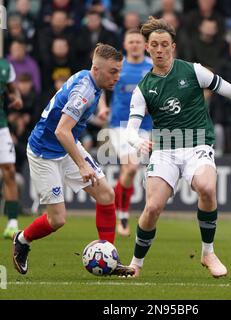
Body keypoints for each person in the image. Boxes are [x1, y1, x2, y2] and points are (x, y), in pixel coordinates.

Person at [125, 17, 231, 278]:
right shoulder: (143, 89)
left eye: (164, 44)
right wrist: (138, 141)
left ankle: (208, 252)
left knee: (206, 187)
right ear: (147, 47)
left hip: (197, 144)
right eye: (154, 45)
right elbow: (130, 131)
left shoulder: (193, 71)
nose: (159, 49)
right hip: (165, 150)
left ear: (173, 47)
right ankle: (136, 263)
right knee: (152, 208)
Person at [12, 43, 135, 277]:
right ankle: (22, 239)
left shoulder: (89, 78)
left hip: (67, 145)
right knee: (57, 220)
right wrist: (81, 164)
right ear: (96, 69)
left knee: (106, 195)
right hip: (44, 152)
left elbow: (69, 127)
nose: (117, 77)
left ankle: (108, 255)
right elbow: (61, 131)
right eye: (113, 72)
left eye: (119, 71)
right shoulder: (84, 91)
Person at [99, 29, 153, 237]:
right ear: (125, 44)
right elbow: (102, 85)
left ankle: (119, 210)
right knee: (131, 168)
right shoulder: (118, 66)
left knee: (128, 171)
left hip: (145, 127)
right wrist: (102, 107)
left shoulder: (151, 67)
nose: (135, 45)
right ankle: (122, 214)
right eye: (131, 42)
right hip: (120, 125)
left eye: (138, 42)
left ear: (144, 45)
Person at [0, 58, 23, 239]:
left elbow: (12, 87)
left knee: (9, 170)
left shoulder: (5, 66)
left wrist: (16, 97)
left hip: (1, 126)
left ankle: (12, 223)